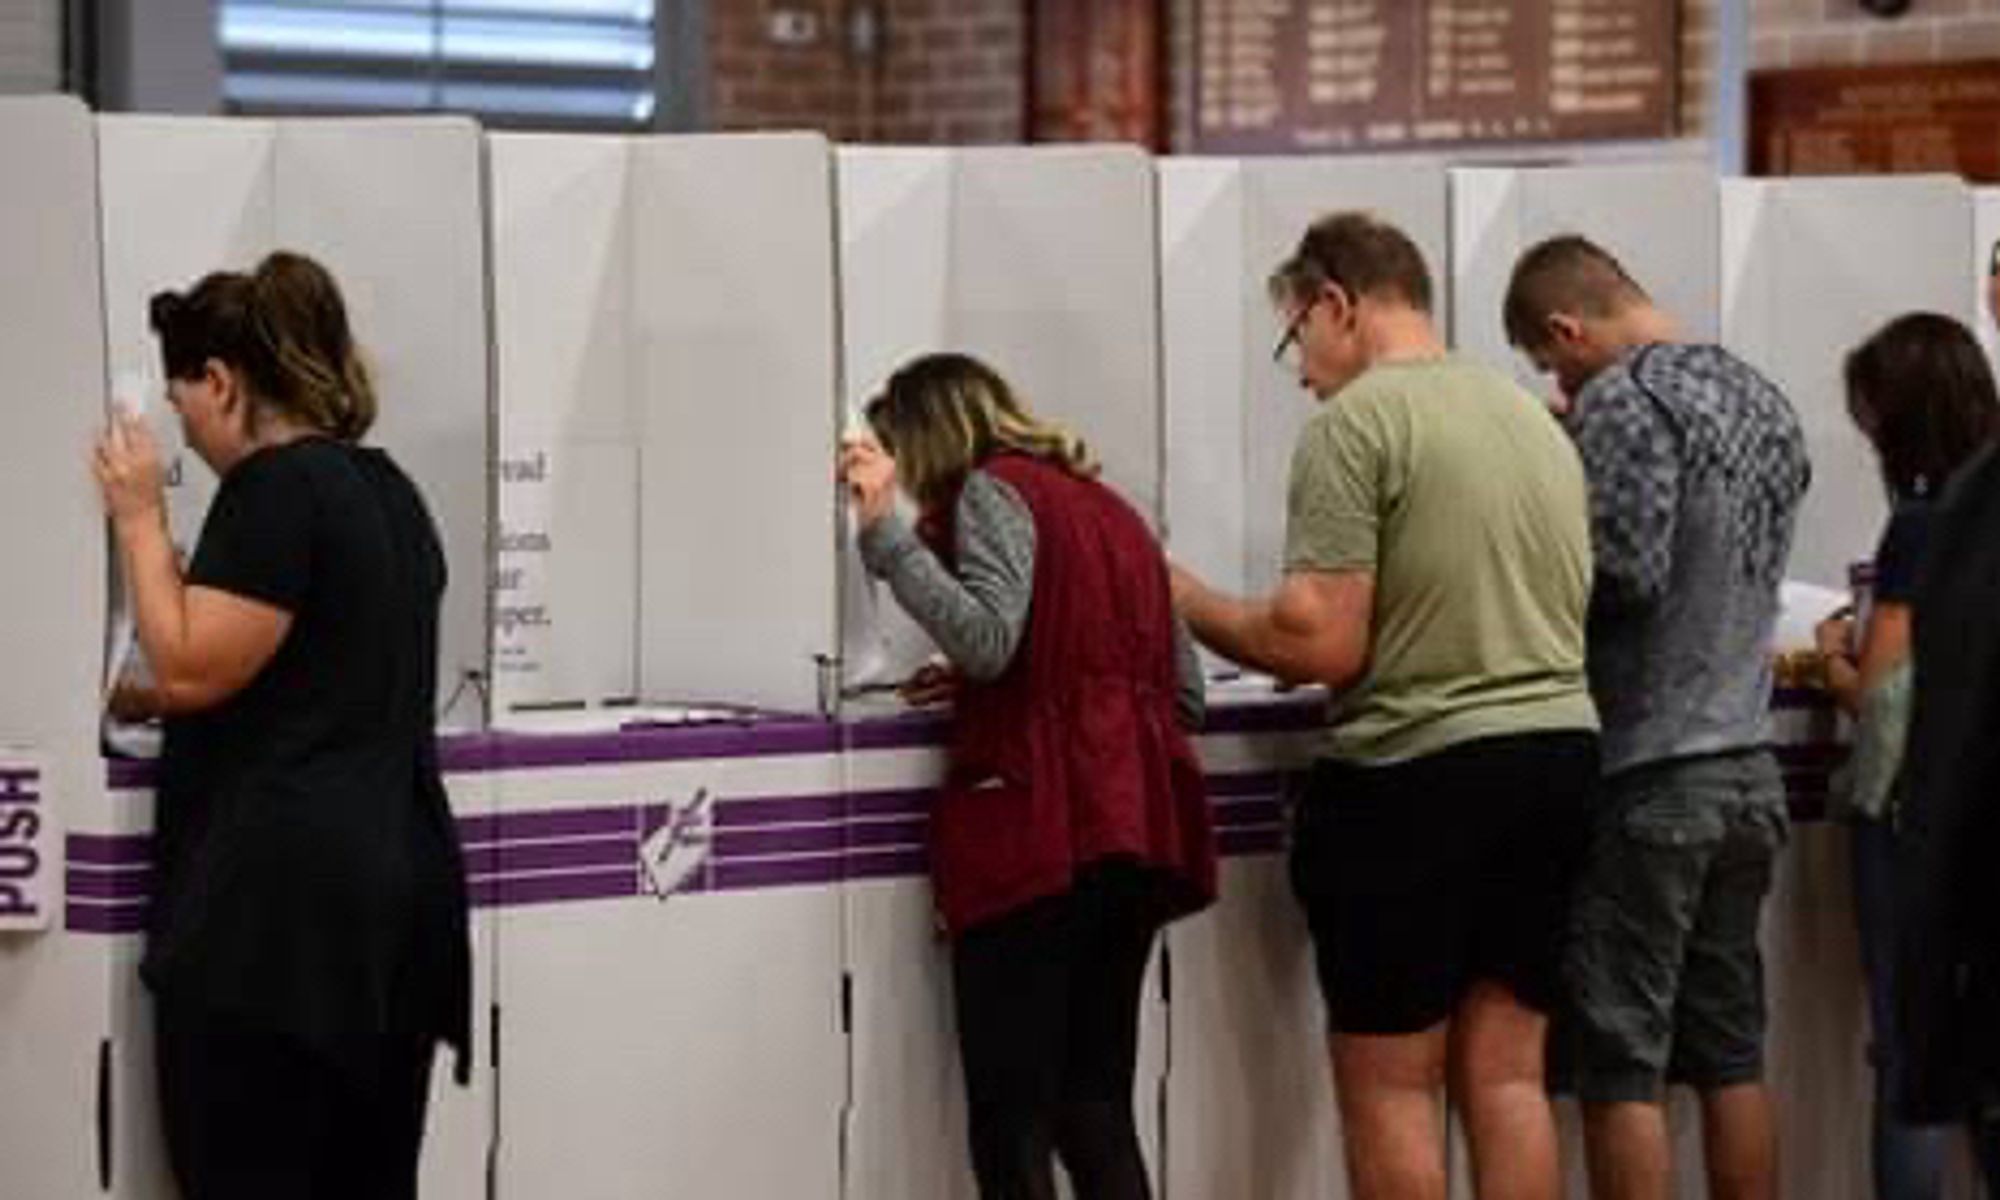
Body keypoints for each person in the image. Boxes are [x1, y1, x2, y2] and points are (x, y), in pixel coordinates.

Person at [1175, 211, 1600, 1200]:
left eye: (1295, 338)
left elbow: (1321, 641)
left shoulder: (1356, 423)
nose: (1299, 370)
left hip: (1417, 776)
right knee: (1505, 1077)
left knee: (1392, 1089)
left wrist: (1184, 598)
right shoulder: (1532, 423)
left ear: (1335, 303)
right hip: (1557, 762)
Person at [93, 251, 471, 1199]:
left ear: (219, 382)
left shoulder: (274, 491)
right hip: (396, 914)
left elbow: (188, 665)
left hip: (278, 933)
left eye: (182, 410)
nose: (186, 438)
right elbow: (307, 671)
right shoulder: (389, 492)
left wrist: (140, 519)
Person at [838, 352, 1214, 1200]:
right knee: (1097, 1110)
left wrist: (886, 536)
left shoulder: (990, 491)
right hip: (1138, 836)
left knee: (1012, 1122)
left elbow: (989, 638)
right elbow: (1185, 693)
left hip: (1041, 838)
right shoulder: (1115, 510)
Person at [1503, 235, 1810, 1200]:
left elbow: (1625, 575)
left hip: (1651, 770)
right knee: (1730, 1054)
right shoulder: (1763, 395)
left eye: (1553, 363)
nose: (1562, 383)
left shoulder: (1626, 401)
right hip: (1748, 766)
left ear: (1567, 328)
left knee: (1620, 1057)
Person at [1813, 312, 1998, 1200]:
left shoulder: (1925, 525)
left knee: (1906, 1042)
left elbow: (1883, 698)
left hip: (1908, 815)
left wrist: (1831, 662)